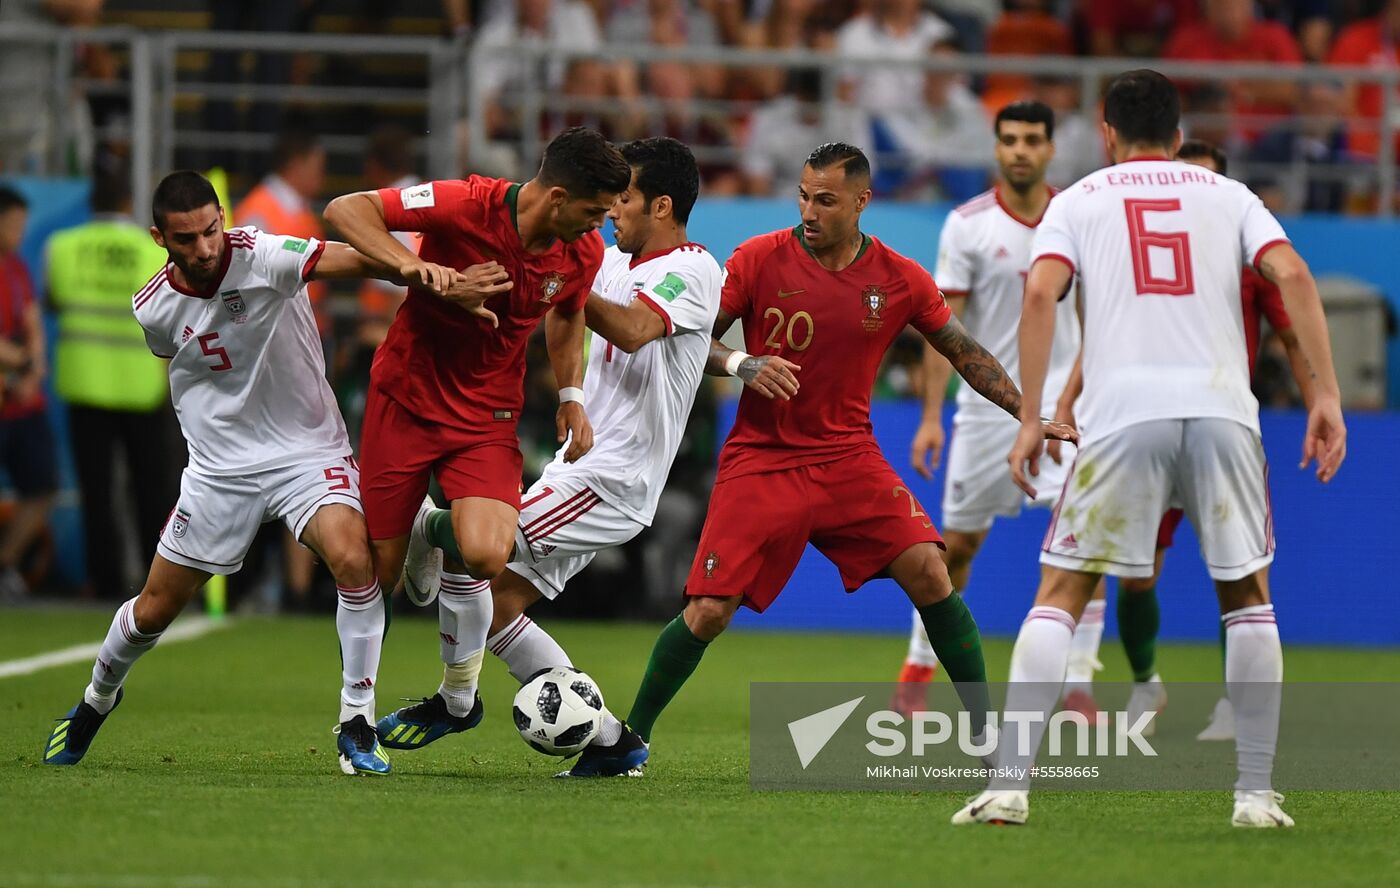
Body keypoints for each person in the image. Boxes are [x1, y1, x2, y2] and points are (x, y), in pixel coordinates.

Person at [953, 69, 1347, 829]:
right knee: (1247, 597)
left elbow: (1041, 295)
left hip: (1120, 413)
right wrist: (1325, 395)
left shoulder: (1080, 201)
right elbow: (1291, 273)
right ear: (1176, 132)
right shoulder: (1230, 196)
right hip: (1224, 410)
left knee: (1062, 591)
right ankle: (1256, 797)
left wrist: (1032, 414)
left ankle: (1009, 788)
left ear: (1105, 132)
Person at [614, 142, 1077, 759]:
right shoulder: (757, 260)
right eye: (804, 196)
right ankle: (628, 739)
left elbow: (965, 352)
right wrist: (741, 361)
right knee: (708, 611)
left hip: (847, 459)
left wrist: (1028, 414)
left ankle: (989, 735)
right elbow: (695, 340)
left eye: (826, 200)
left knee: (931, 573)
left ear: (863, 201)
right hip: (762, 457)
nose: (810, 210)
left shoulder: (900, 278)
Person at [40, 171, 486, 776]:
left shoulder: (265, 254)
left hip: (306, 452)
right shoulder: (152, 307)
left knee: (354, 563)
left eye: (209, 230)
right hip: (220, 470)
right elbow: (178, 361)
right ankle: (96, 699)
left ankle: (356, 721)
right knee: (152, 611)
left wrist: (425, 273)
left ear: (222, 218)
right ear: (158, 238)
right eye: (186, 239)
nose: (203, 248)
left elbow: (352, 260)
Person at [377, 137, 719, 777]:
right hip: (581, 468)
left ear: (663, 206)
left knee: (478, 546)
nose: (612, 211)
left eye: (625, 199)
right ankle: (613, 743)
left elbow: (638, 328)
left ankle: (449, 670)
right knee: (499, 606)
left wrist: (551, 273)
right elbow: (621, 327)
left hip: (614, 478)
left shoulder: (694, 268)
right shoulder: (613, 261)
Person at [323, 127, 631, 735]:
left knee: (487, 552)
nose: (599, 227)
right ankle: (362, 700)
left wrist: (573, 396)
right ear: (559, 196)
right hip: (406, 399)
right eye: (594, 212)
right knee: (377, 577)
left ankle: (453, 671)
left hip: (486, 415)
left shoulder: (580, 252)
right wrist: (418, 269)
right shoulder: (465, 203)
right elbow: (345, 210)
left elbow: (568, 313)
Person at [1096, 138, 1316, 744]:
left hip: (1223, 425)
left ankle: (1233, 703)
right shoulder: (1138, 250)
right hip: (1149, 421)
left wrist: (1322, 398)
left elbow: (1293, 333)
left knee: (1244, 574)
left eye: (1205, 181)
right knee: (1136, 573)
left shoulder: (1247, 256)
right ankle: (1146, 680)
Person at [893, 101, 1106, 722]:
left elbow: (1098, 318)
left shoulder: (1080, 218)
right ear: (996, 148)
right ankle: (917, 669)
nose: (1019, 149)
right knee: (955, 547)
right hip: (988, 414)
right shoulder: (967, 225)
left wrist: (1081, 395)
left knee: (1085, 545)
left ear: (1049, 150)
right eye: (1009, 139)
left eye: (1031, 139)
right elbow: (944, 330)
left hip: (1069, 411)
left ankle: (1081, 684)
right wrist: (933, 415)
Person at [46, 170, 177, 600]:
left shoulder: (61, 248)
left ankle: (105, 584)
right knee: (152, 490)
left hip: (85, 383)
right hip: (141, 386)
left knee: (97, 492)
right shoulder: (150, 251)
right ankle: (153, 584)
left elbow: (54, 300)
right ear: (126, 203)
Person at [0, 185, 57, 600]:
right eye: (14, 223)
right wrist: (21, 364)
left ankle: (4, 566)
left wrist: (34, 368)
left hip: (22, 403)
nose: (20, 230)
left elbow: (32, 319)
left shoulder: (17, 267)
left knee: (43, 484)